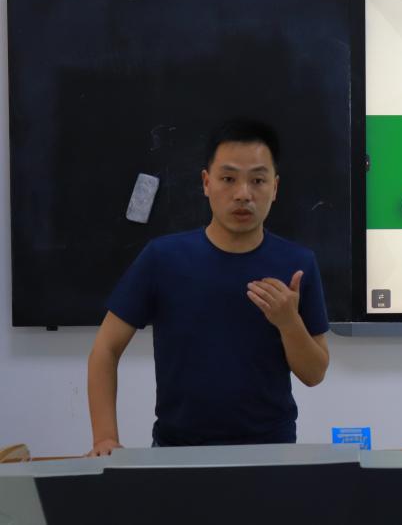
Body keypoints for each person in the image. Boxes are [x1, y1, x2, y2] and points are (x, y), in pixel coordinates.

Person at [86, 119, 329, 455]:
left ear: (274, 188)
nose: (243, 194)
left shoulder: (297, 265)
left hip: (271, 453)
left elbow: (314, 374)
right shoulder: (163, 258)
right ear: (206, 182)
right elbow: (105, 349)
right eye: (228, 179)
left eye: (258, 180)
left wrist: (289, 323)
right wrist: (104, 438)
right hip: (177, 452)